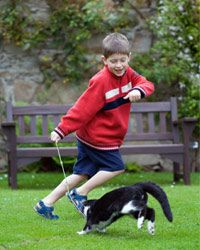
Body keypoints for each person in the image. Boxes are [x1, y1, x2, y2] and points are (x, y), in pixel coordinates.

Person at [34, 32, 154, 219]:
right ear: (104, 60)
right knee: (116, 166)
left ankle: (46, 203)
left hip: (95, 138)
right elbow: (82, 109)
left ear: (129, 57)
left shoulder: (129, 74)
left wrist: (139, 89)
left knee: (81, 173)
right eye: (113, 61)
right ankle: (79, 194)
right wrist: (62, 129)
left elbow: (146, 83)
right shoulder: (101, 81)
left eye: (123, 60)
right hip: (97, 138)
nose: (119, 65)